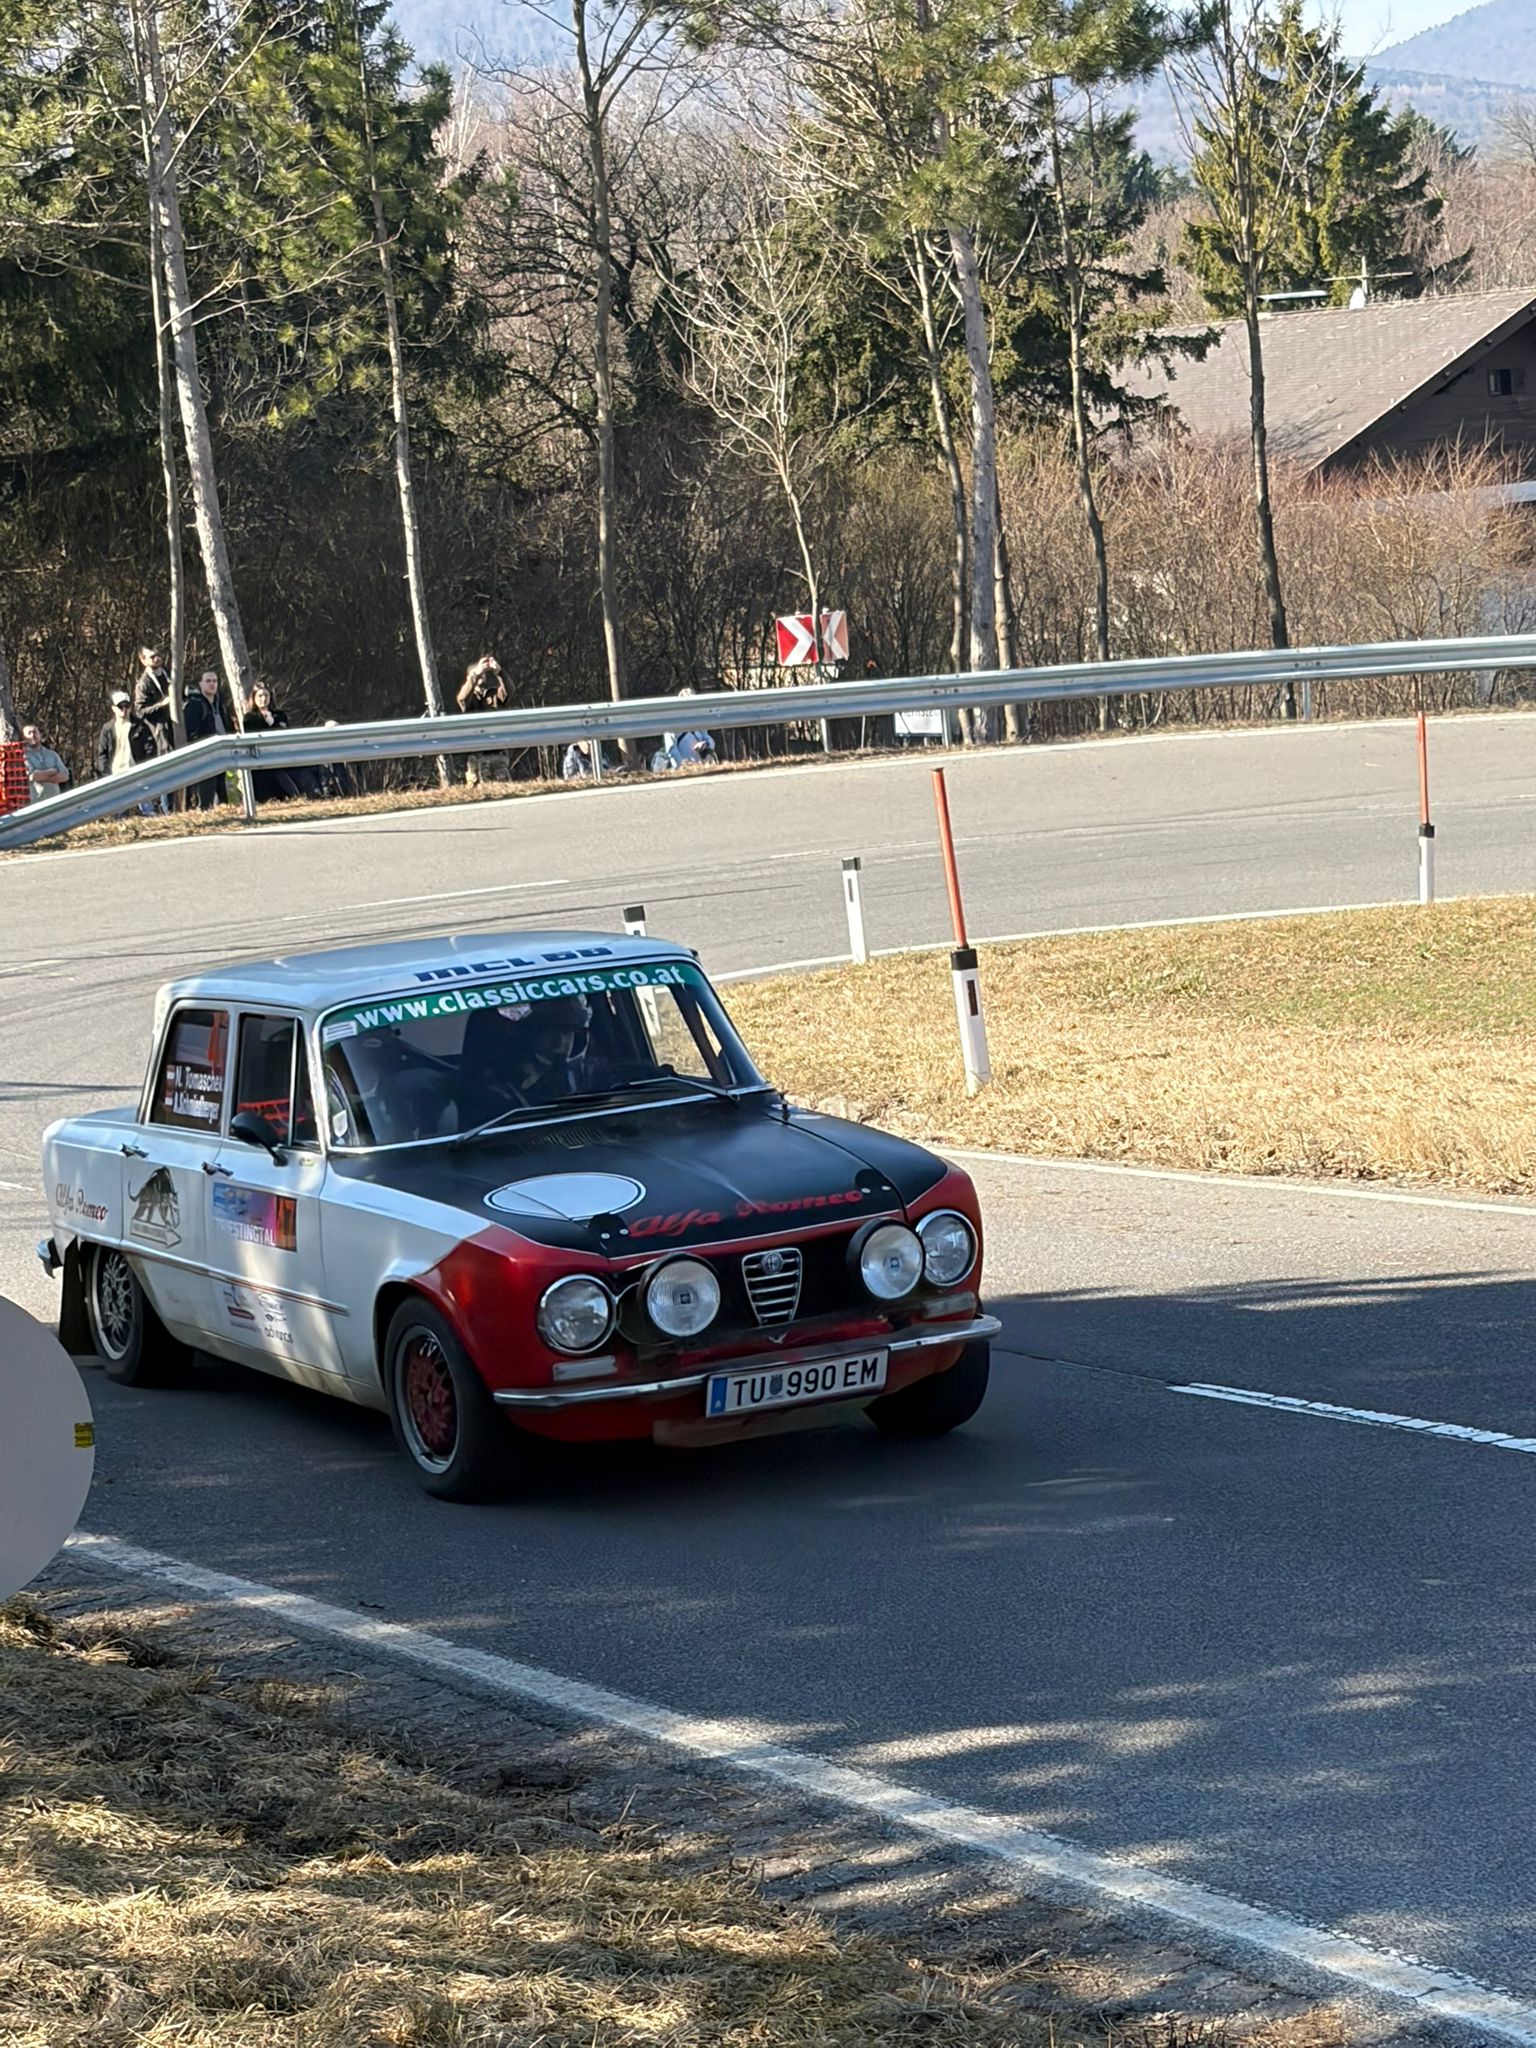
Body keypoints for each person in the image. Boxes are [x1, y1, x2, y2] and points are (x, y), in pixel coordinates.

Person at [245, 680, 311, 802]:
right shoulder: (249, 718)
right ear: (254, 698)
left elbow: (285, 734)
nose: (263, 699)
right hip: (261, 759)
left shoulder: (280, 715)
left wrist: (273, 722)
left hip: (281, 755)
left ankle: (296, 796)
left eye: (266, 695)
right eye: (260, 695)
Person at [95, 690, 160, 813]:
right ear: (113, 708)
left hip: (137, 773)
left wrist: (145, 768)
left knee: (146, 809)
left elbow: (150, 748)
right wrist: (106, 773)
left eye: (127, 706)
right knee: (120, 813)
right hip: (115, 774)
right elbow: (102, 753)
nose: (124, 709)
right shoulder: (107, 729)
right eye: (120, 706)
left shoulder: (140, 726)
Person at [457, 655, 508, 785]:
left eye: (483, 673)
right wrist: (474, 676)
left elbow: (508, 692)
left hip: (496, 753)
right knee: (475, 788)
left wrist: (499, 672)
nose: (481, 675)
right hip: (476, 754)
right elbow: (462, 699)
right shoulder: (468, 697)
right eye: (478, 672)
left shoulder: (493, 694)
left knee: (502, 787)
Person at [182, 671, 228, 809]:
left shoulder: (220, 704)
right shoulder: (195, 704)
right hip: (204, 754)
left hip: (221, 752)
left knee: (221, 791)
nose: (212, 684)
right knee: (206, 791)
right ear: (201, 684)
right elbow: (190, 731)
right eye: (208, 681)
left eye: (214, 681)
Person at [132, 647, 176, 750]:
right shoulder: (143, 684)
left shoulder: (171, 674)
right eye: (152, 657)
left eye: (158, 655)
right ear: (143, 661)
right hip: (161, 731)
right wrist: (161, 705)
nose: (157, 658)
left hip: (178, 724)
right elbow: (140, 711)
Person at [22, 723, 70, 805]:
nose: (33, 735)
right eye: (29, 733)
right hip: (36, 803)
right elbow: (33, 776)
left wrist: (43, 776)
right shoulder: (23, 756)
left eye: (35, 732)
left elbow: (65, 776)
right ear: (24, 738)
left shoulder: (53, 755)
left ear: (40, 734)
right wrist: (53, 772)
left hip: (55, 801)